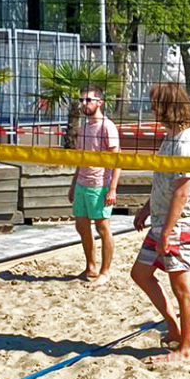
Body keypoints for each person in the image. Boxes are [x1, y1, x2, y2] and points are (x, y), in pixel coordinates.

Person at [132, 82, 190, 363]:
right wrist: (147, 208)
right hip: (163, 220)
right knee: (140, 273)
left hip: (180, 223)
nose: (151, 108)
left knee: (182, 286)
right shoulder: (170, 137)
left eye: (155, 104)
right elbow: (165, 182)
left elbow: (183, 192)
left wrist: (168, 231)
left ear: (168, 107)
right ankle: (173, 326)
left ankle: (184, 349)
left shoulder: (186, 142)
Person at [74, 84, 121, 287]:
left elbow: (117, 160)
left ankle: (105, 271)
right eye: (81, 100)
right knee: (81, 226)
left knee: (103, 227)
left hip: (99, 185)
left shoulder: (107, 126)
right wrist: (73, 184)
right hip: (82, 184)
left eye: (88, 100)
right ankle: (90, 266)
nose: (84, 103)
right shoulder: (84, 127)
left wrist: (112, 188)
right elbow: (81, 159)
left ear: (99, 102)